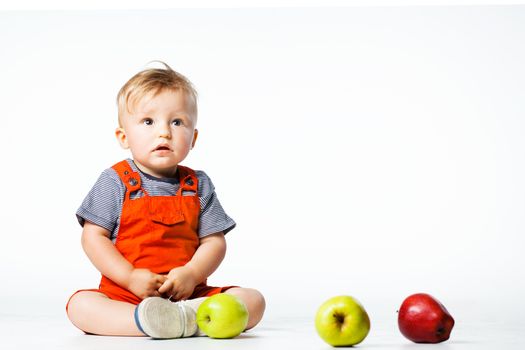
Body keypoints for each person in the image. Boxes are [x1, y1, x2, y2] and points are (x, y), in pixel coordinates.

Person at [66, 62, 265, 338]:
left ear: (193, 138)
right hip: (125, 294)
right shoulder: (115, 180)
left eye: (177, 122)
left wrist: (192, 274)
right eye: (148, 122)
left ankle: (185, 316)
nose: (164, 132)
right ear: (123, 136)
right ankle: (144, 320)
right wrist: (130, 277)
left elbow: (214, 241)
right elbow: (93, 237)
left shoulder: (198, 184)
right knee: (80, 306)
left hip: (187, 293)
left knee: (253, 301)